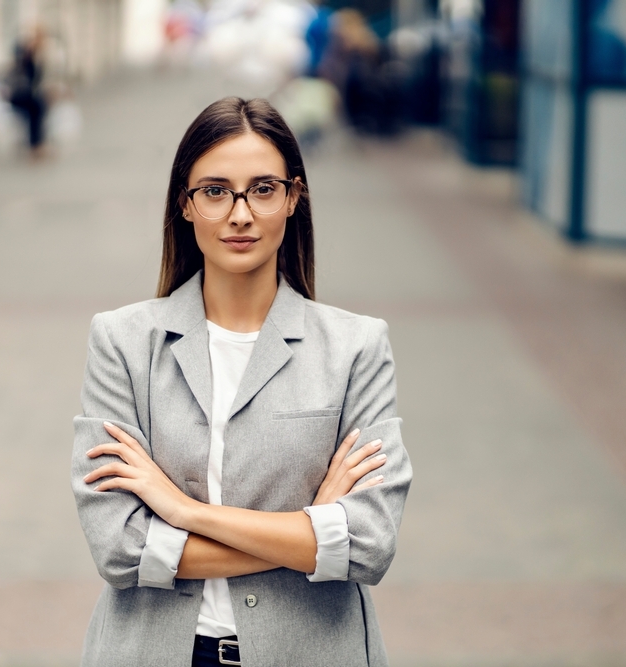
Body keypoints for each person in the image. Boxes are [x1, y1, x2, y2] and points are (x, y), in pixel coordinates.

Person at [70, 97, 412, 667]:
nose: (240, 213)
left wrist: (182, 511)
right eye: (215, 191)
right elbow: (119, 549)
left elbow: (369, 545)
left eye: (262, 189)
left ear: (293, 198)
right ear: (185, 205)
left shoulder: (356, 347)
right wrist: (308, 534)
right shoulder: (122, 343)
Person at [6, 26, 48, 157]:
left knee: (39, 106)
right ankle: (35, 146)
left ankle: (38, 144)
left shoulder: (35, 57)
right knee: (36, 107)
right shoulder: (22, 56)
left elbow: (36, 81)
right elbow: (20, 80)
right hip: (17, 95)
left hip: (26, 95)